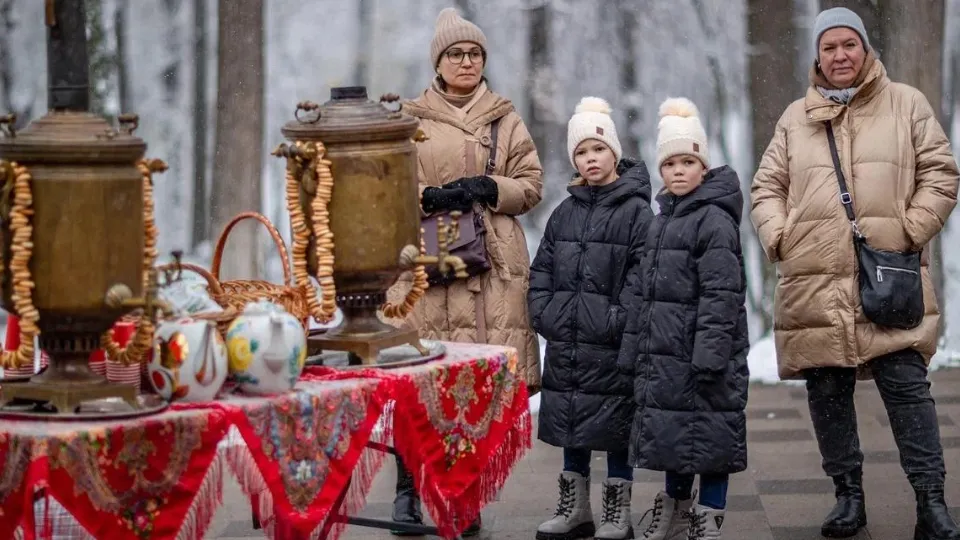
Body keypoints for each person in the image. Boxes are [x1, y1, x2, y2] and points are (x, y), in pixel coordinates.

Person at [750, 7, 960, 539]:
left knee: (907, 387)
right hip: (814, 280)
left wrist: (910, 230)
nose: (840, 55)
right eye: (829, 47)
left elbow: (941, 172)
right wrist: (780, 236)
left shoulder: (906, 103)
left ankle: (932, 502)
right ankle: (848, 498)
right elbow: (765, 187)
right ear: (817, 57)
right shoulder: (796, 117)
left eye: (849, 44)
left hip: (889, 276)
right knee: (827, 391)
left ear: (865, 49)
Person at [384, 7, 543, 537]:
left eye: (475, 53)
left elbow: (532, 184)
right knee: (420, 382)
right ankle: (408, 494)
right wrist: (425, 197)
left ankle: (465, 497)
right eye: (457, 53)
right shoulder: (410, 120)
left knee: (473, 386)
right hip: (426, 266)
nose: (468, 61)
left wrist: (488, 188)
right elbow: (384, 188)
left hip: (488, 267)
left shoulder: (504, 117)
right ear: (439, 61)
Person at [619, 98, 749, 540]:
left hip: (706, 357)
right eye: (670, 162)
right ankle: (675, 511)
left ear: (704, 166)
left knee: (711, 440)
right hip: (669, 357)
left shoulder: (714, 220)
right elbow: (645, 293)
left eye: (688, 161)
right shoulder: (662, 221)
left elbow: (722, 293)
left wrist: (710, 354)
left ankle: (707, 518)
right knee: (676, 437)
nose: (677, 171)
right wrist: (634, 347)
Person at [528, 97, 653, 540]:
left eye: (598, 149)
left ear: (614, 152)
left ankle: (617, 512)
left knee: (617, 426)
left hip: (613, 343)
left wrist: (618, 319)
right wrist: (547, 314)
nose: (590, 158)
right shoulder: (564, 213)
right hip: (569, 341)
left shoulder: (637, 212)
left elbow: (643, 275)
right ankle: (575, 507)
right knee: (572, 425)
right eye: (581, 152)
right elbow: (541, 269)